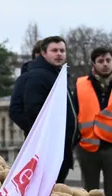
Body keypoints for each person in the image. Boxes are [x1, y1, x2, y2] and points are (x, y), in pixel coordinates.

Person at [8, 35, 78, 182]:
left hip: (61, 146)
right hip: (48, 148)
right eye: (54, 50)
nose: (59, 54)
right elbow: (32, 110)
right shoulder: (38, 76)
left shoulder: (60, 75)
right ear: (43, 53)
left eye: (62, 50)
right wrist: (40, 133)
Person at [74, 46, 112, 196]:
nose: (105, 64)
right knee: (89, 193)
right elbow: (74, 112)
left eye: (108, 60)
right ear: (94, 64)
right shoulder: (80, 84)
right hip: (87, 146)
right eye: (101, 61)